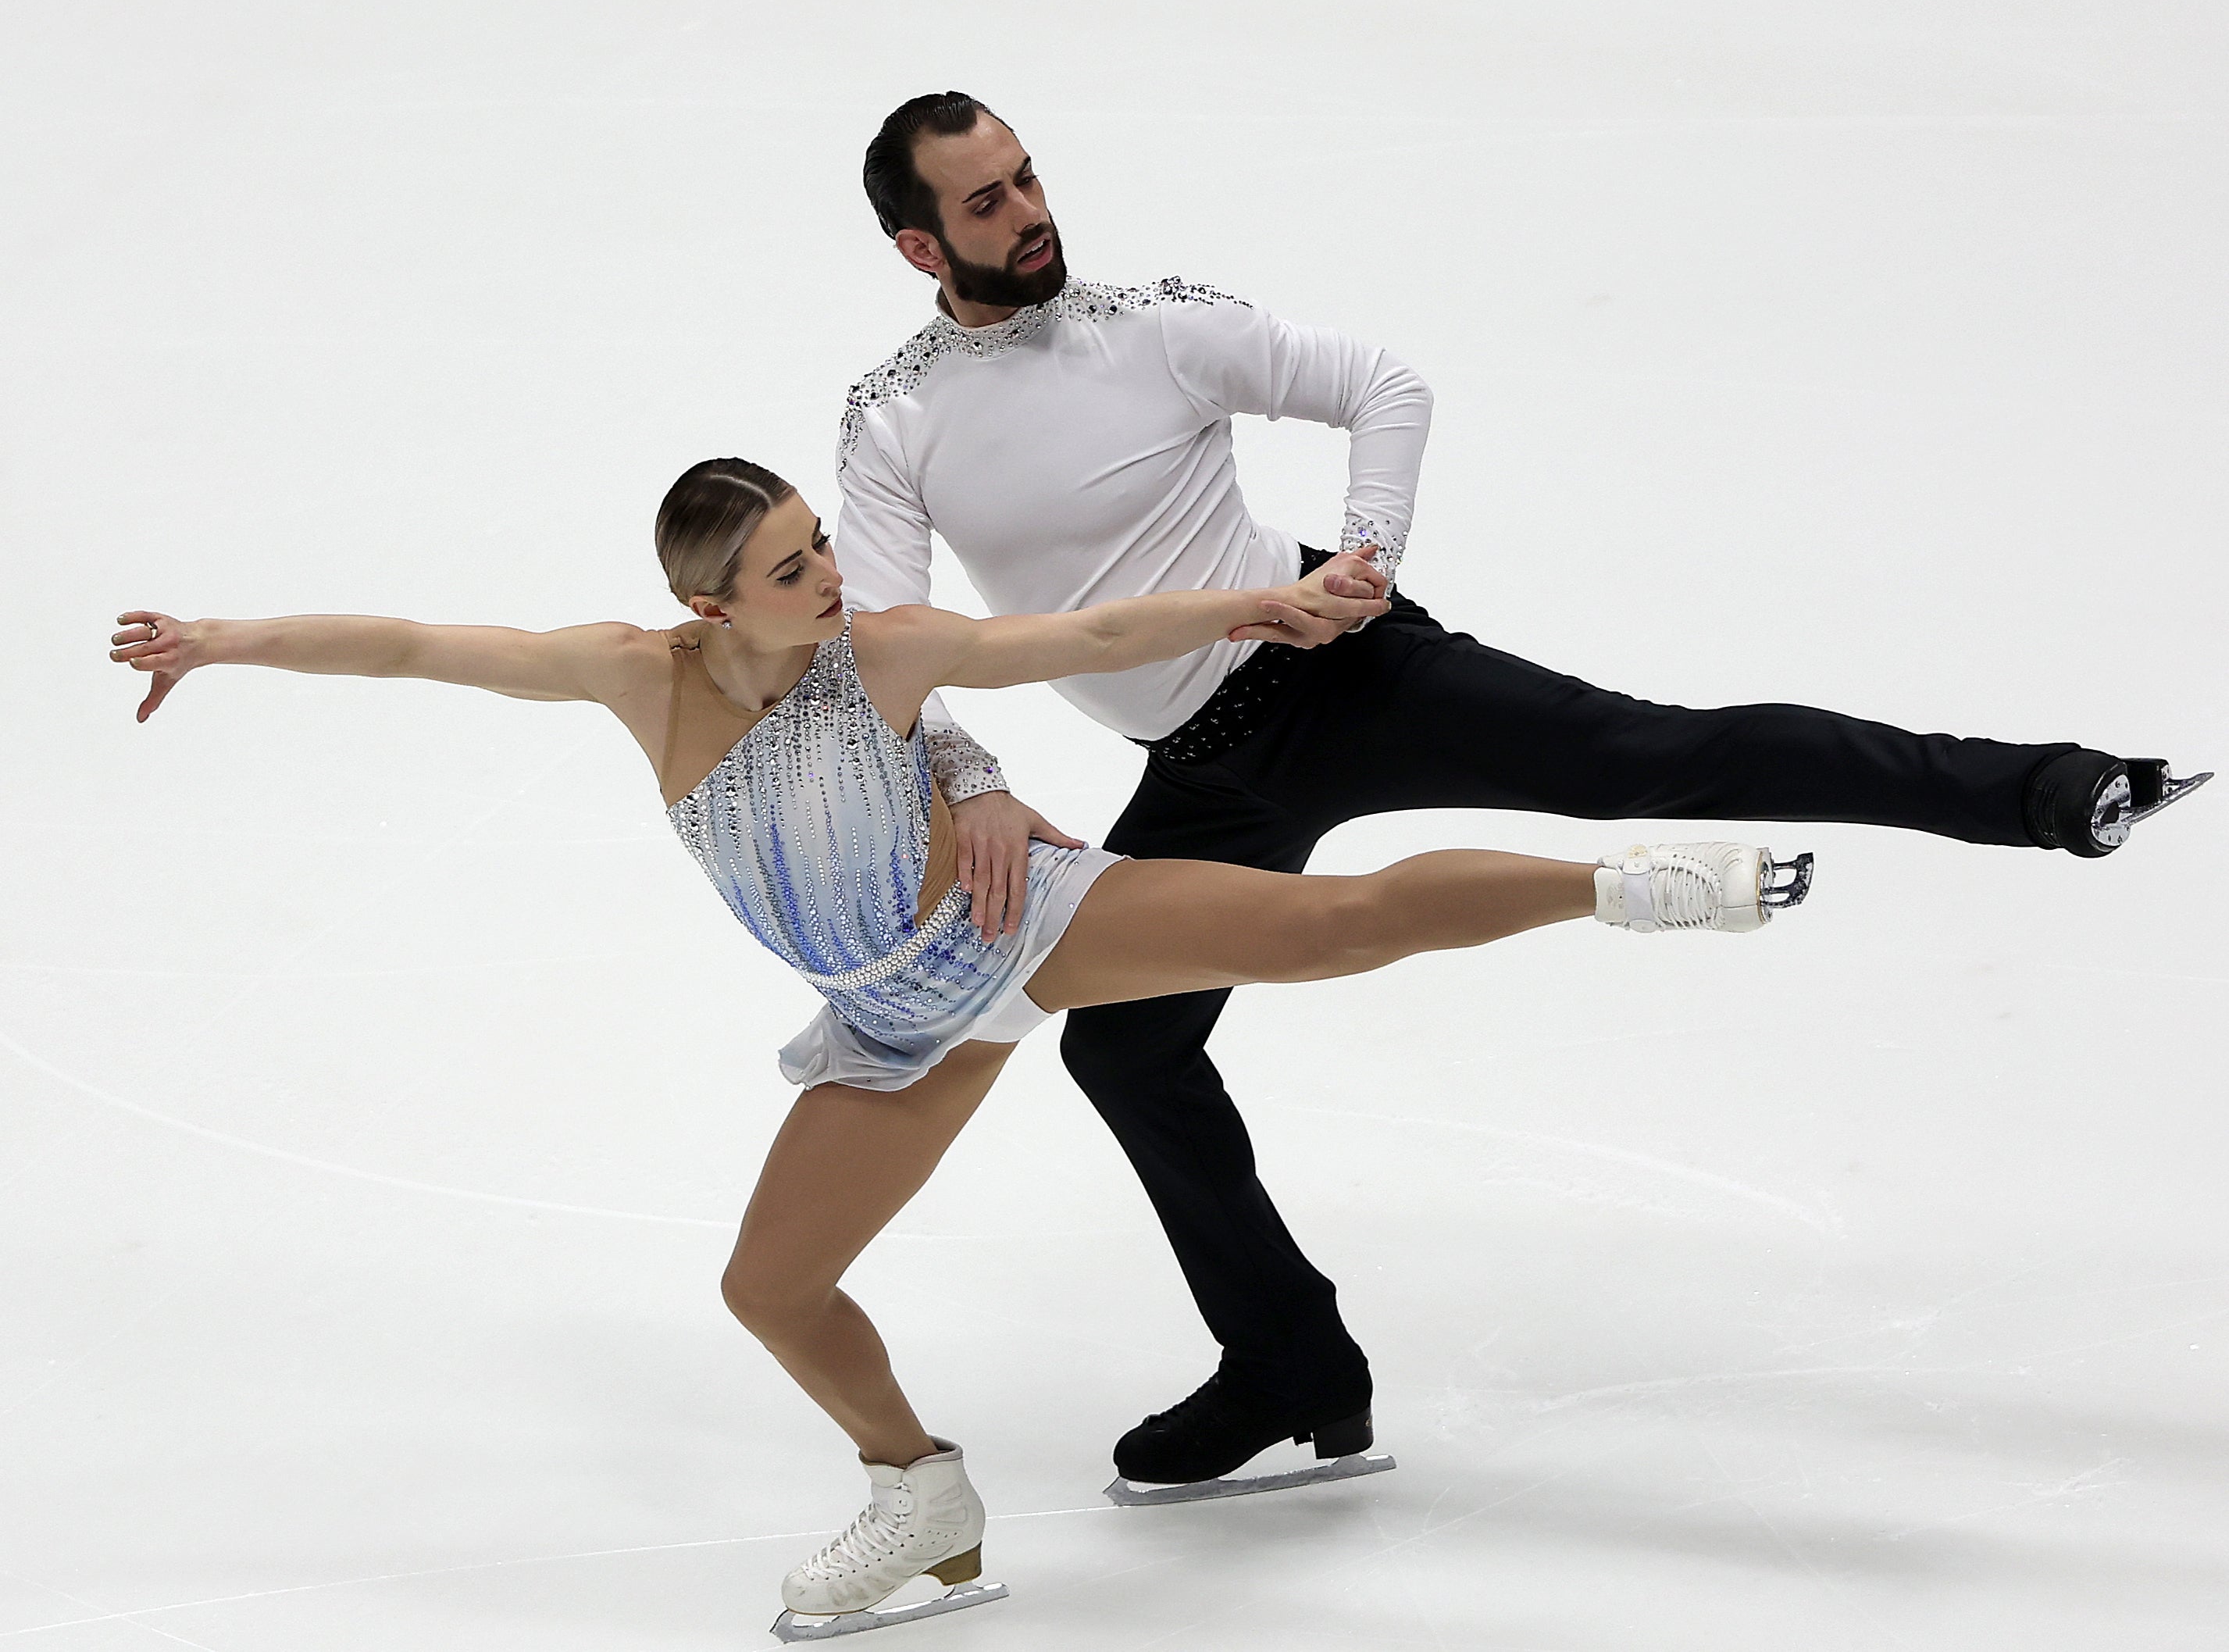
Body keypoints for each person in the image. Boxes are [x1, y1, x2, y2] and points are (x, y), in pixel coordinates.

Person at [112, 458, 1809, 1629]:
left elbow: (1058, 641)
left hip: (1023, 924)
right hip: (893, 1021)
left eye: (820, 543)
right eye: (790, 566)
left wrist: (1255, 608)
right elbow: (416, 647)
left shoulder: (881, 652)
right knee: (769, 1285)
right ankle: (917, 1490)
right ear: (705, 601)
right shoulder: (637, 676)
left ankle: (1630, 880)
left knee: (1318, 926)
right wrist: (220, 638)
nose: (828, 576)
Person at [830, 90, 2211, 1492]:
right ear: (917, 246)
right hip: (1199, 773)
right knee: (1126, 1049)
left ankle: (2051, 793)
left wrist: (1361, 558)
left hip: (1347, 677)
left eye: (1028, 176)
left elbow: (1384, 387)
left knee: (1652, 759)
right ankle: (1294, 1365)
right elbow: (890, 645)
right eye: (988, 202)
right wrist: (971, 775)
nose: (1031, 210)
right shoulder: (898, 421)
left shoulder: (1152, 327)